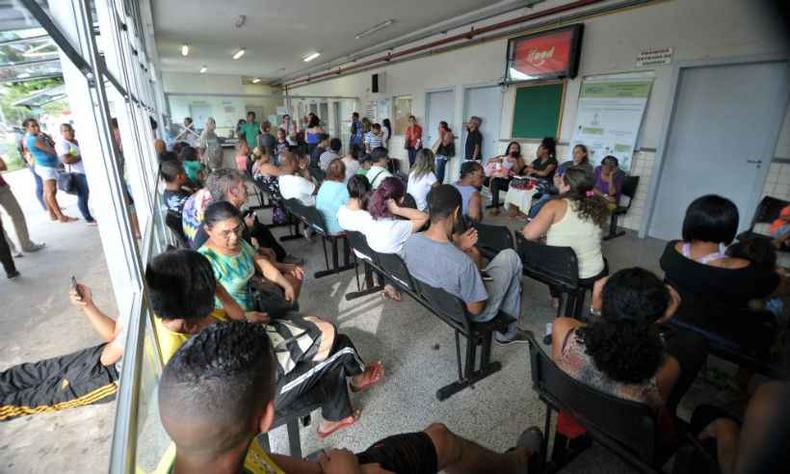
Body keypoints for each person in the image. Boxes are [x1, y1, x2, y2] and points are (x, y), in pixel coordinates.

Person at [158, 319, 543, 474]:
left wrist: (324, 468)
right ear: (265, 418)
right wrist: (345, 469)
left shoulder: (189, 455)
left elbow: (265, 462)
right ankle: (517, 466)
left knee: (437, 435)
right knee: (439, 437)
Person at [660, 195, 790, 352]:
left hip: (675, 317)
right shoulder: (746, 272)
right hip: (726, 334)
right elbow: (784, 287)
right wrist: (779, 273)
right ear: (730, 228)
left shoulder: (672, 250)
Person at [403, 185, 527, 344]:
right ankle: (507, 334)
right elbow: (476, 309)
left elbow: (436, 257)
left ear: (429, 210)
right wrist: (475, 263)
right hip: (468, 314)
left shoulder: (411, 241)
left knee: (505, 268)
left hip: (437, 301)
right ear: (456, 213)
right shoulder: (464, 265)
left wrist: (457, 246)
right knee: (511, 257)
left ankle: (507, 327)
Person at [551, 267, 682, 408]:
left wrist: (595, 310)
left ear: (603, 303)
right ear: (657, 317)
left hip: (573, 412)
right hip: (619, 428)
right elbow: (656, 412)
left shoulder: (563, 330)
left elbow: (592, 329)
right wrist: (660, 320)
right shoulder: (668, 369)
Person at [0, 280, 122, 419]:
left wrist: (120, 344)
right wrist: (88, 305)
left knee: (27, 393)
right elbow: (115, 334)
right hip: (110, 359)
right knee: (25, 379)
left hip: (115, 368)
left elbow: (116, 345)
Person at [521, 167, 608, 307]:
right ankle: (596, 302)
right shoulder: (598, 205)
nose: (559, 184)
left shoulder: (555, 205)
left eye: (561, 182)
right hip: (592, 274)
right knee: (601, 259)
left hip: (560, 272)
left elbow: (529, 235)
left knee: (550, 254)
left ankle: (556, 298)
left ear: (567, 186)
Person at [198, 201, 303, 317]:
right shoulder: (204, 262)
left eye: (237, 229)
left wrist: (286, 285)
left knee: (294, 277)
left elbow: (261, 264)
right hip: (235, 320)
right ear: (208, 230)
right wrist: (244, 317)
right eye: (225, 233)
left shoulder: (240, 243)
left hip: (257, 301)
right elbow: (208, 312)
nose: (234, 237)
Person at [182, 168, 295, 264]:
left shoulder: (220, 211)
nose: (246, 188)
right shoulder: (224, 222)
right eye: (243, 185)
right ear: (233, 193)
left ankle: (281, 258)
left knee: (260, 228)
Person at [23, 118, 76, 223]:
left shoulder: (35, 136)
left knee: (47, 191)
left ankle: (52, 214)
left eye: (37, 125)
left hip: (45, 166)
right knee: (51, 192)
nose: (36, 127)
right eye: (33, 126)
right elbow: (51, 150)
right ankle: (61, 216)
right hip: (46, 167)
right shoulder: (33, 139)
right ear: (27, 128)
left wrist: (47, 138)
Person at [528, 144, 593, 219]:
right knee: (545, 196)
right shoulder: (566, 164)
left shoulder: (587, 168)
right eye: (573, 152)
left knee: (550, 199)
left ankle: (537, 220)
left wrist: (564, 189)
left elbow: (585, 185)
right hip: (559, 188)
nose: (574, 154)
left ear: (584, 154)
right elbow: (556, 176)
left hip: (574, 192)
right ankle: (531, 218)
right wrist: (558, 185)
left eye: (577, 152)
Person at [0, 155, 45, 255]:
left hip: (2, 188)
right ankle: (10, 249)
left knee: (17, 215)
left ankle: (26, 245)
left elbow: (3, 166)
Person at [486, 141, 527, 216]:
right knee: (489, 179)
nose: (514, 150)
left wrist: (515, 162)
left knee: (495, 181)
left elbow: (517, 173)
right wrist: (496, 160)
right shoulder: (503, 156)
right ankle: (494, 204)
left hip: (511, 181)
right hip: (500, 177)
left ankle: (495, 206)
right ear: (508, 149)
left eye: (516, 148)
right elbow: (489, 160)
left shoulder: (519, 159)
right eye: (512, 148)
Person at [315, 159, 350, 235]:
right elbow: (350, 209)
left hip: (321, 223)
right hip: (335, 227)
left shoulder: (324, 185)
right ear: (343, 173)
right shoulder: (344, 188)